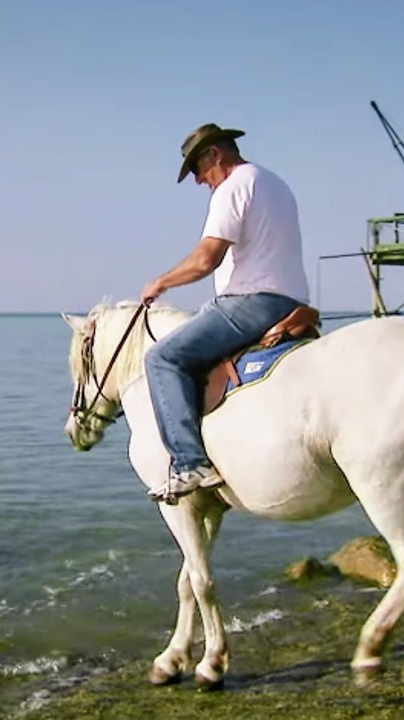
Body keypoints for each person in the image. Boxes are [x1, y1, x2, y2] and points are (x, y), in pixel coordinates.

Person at [139, 123, 311, 504]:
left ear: (215, 154)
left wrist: (161, 282)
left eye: (198, 170)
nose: (200, 181)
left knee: (162, 358)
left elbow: (206, 259)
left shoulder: (233, 186)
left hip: (252, 302)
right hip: (293, 301)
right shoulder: (274, 183)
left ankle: (189, 463)